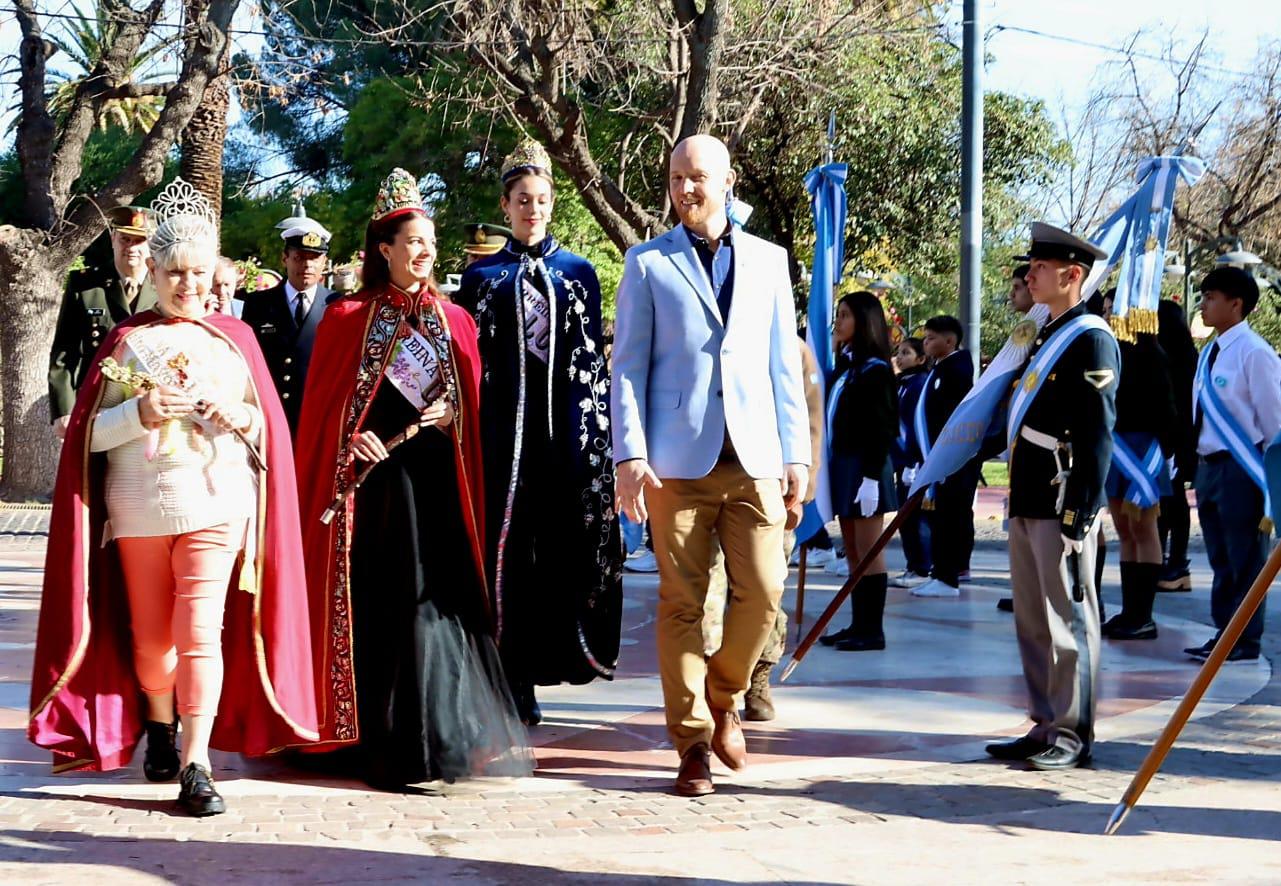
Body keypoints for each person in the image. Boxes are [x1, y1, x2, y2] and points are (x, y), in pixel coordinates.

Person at [28, 178, 318, 816]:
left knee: (199, 633)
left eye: (198, 272)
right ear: (153, 271)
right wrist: (140, 412)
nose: (188, 284)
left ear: (213, 273)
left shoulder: (234, 342)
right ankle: (158, 724)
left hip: (217, 505)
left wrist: (237, 416)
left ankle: (197, 761)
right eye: (175, 273)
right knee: (153, 647)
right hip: (138, 511)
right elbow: (87, 439)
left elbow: (266, 425)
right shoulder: (126, 342)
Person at [294, 168, 533, 788]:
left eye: (430, 240)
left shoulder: (454, 322)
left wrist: (454, 412)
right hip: (375, 487)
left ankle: (432, 740)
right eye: (412, 241)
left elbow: (472, 407)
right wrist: (352, 437)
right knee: (383, 601)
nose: (424, 251)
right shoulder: (347, 319)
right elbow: (325, 413)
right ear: (385, 249)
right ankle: (373, 736)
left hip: (435, 479)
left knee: (435, 598)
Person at [611, 134, 809, 797]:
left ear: (726, 182)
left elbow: (784, 364)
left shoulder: (769, 261)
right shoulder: (646, 264)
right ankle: (691, 743)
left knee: (764, 592)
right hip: (676, 463)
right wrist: (630, 456)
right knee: (681, 605)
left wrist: (796, 454)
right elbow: (628, 369)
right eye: (674, 178)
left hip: (753, 458)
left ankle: (723, 695)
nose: (685, 189)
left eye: (697, 177)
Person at [455, 140, 623, 727]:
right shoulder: (481, 277)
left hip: (564, 443)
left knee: (557, 556)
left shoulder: (577, 272)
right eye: (522, 200)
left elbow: (590, 364)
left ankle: (559, 659)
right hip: (502, 442)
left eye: (542, 200)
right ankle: (509, 677)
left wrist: (598, 440)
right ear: (505, 206)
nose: (532, 209)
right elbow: (469, 361)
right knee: (507, 561)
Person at [984, 222, 1118, 771]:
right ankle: (1044, 722)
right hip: (1027, 492)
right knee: (1034, 621)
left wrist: (1080, 511)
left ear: (1072, 275)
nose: (1029, 274)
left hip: (1061, 497)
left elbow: (1097, 434)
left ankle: (1072, 732)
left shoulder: (1089, 338)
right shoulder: (1043, 332)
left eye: (1039, 268)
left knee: (1068, 621)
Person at [1183, 268, 1281, 662]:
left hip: (1241, 468)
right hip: (1209, 466)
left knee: (1244, 559)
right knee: (1221, 558)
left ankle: (1244, 640)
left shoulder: (1254, 352)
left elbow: (1273, 419)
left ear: (1236, 304)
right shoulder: (1212, 350)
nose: (1203, 304)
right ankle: (1224, 635)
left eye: (1210, 296)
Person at [1088, 290, 1178, 641]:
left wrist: (1166, 449)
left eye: (1115, 310)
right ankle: (1129, 611)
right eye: (1107, 310)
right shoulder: (1107, 352)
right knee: (1124, 531)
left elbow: (1166, 407)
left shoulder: (1151, 354)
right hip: (1115, 445)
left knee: (1144, 530)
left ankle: (1144, 614)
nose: (1109, 316)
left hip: (1141, 448)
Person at [818, 292, 898, 651]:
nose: (839, 321)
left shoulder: (875, 371)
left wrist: (869, 478)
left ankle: (872, 629)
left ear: (864, 321)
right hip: (845, 466)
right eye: (839, 314)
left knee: (868, 550)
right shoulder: (848, 367)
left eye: (846, 315)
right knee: (852, 549)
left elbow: (883, 428)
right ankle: (858, 623)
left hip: (866, 468)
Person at [48, 205, 158, 438]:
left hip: (148, 405)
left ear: (151, 244)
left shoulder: (163, 287)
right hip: (95, 404)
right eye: (125, 239)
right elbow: (65, 351)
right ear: (113, 238)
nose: (131, 248)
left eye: (139, 241)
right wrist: (64, 410)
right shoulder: (85, 285)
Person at [237, 218, 333, 432]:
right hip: (269, 417)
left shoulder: (337, 305)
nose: (307, 265)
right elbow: (246, 363)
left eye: (314, 258)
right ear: (285, 259)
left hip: (317, 421)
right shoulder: (258, 305)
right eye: (299, 257)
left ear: (324, 262)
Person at [911, 315, 978, 599]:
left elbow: (952, 417)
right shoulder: (940, 369)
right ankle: (941, 571)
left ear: (949, 341)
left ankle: (948, 575)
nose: (926, 343)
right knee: (941, 515)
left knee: (951, 515)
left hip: (953, 457)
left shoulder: (957, 370)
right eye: (925, 337)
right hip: (937, 456)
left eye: (932, 338)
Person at [997, 264, 1033, 613]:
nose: (1015, 293)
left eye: (1020, 285)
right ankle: (1025, 590)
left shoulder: (1070, 335)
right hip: (1021, 449)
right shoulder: (1027, 335)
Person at [1156, 299, 1199, 591]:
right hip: (1176, 436)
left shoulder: (1177, 359)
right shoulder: (1181, 356)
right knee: (1167, 501)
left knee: (1170, 500)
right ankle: (1168, 561)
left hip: (1177, 436)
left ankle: (1176, 563)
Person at [889, 337, 932, 589]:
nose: (900, 357)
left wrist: (914, 459)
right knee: (906, 517)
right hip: (900, 458)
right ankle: (912, 564)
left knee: (916, 517)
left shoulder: (918, 384)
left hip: (912, 460)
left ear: (921, 358)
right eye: (898, 352)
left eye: (906, 353)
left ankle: (921, 566)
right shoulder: (902, 383)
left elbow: (915, 424)